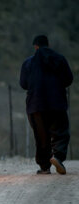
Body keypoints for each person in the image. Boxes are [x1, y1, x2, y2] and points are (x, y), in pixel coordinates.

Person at [20, 35, 73, 175]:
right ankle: (57, 157)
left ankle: (44, 167)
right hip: (57, 103)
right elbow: (68, 80)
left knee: (41, 136)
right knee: (60, 132)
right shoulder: (60, 59)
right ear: (47, 45)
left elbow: (23, 84)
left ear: (35, 46)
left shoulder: (28, 63)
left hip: (35, 105)